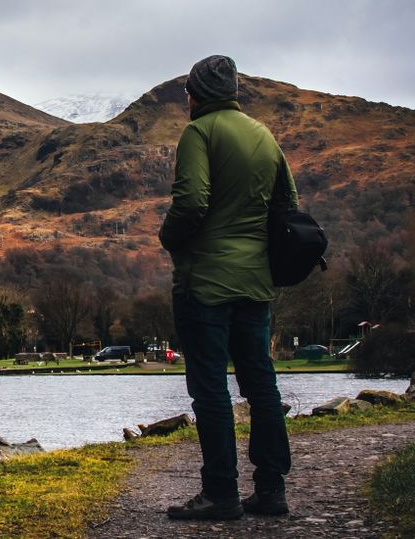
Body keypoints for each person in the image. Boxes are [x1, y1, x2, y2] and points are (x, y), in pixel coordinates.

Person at [158, 55, 297, 520]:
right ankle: (271, 489)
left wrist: (169, 238)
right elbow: (288, 205)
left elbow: (192, 200)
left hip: (205, 284)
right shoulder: (263, 134)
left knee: (211, 388)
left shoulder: (199, 132)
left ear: (195, 94)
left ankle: (221, 493)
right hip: (255, 283)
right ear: (233, 90)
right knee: (260, 384)